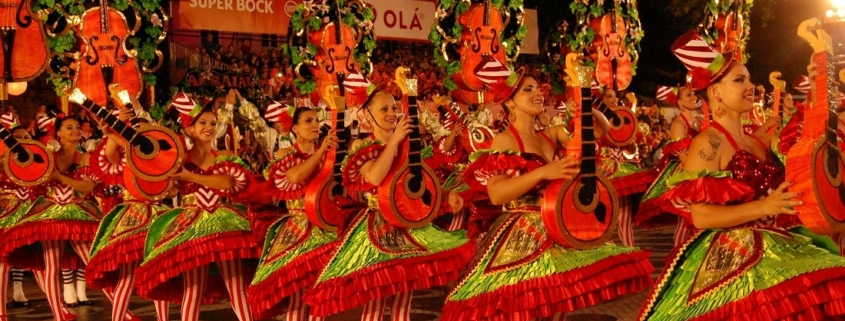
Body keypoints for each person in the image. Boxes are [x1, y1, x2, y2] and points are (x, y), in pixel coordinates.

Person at [638, 35, 845, 320]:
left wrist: (818, 86)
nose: (751, 87)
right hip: (735, 255)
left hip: (780, 244)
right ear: (715, 93)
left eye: (748, 79)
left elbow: (813, 142)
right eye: (739, 81)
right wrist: (765, 207)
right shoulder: (708, 143)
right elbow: (700, 216)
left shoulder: (759, 141)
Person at [441, 71, 654, 321]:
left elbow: (600, 131)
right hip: (522, 233)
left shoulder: (550, 135)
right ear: (509, 103)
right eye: (527, 90)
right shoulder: (503, 139)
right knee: (527, 309)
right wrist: (543, 172)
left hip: (557, 223)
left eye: (537, 88)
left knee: (557, 307)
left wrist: (585, 109)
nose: (537, 94)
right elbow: (497, 194)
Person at [303, 89, 474, 321]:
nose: (392, 113)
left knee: (404, 301)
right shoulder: (362, 146)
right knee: (375, 305)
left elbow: (420, 181)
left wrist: (446, 195)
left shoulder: (406, 144)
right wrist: (394, 142)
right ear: (367, 115)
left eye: (394, 107)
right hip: (377, 229)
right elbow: (374, 177)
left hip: (406, 223)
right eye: (384, 109)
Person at [0, 115, 136, 321]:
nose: (75, 130)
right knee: (52, 265)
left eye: (77, 127)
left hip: (78, 214)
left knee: (92, 262)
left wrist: (60, 177)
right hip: (51, 214)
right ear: (59, 133)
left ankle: (122, 310)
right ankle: (59, 313)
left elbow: (88, 187)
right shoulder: (48, 156)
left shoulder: (86, 157)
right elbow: (32, 177)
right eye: (69, 127)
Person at [134, 95, 258, 321]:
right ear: (189, 129)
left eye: (212, 123)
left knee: (237, 286)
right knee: (193, 289)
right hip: (191, 223)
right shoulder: (179, 159)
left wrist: (190, 176)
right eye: (203, 123)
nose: (209, 127)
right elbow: (165, 184)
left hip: (222, 222)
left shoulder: (224, 156)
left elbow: (227, 183)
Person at [247, 107, 339, 320]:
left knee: (320, 296)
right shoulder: (285, 154)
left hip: (324, 227)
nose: (315, 125)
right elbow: (295, 176)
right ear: (295, 128)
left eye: (316, 120)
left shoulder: (328, 154)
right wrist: (321, 152)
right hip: (298, 228)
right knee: (298, 297)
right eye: (308, 121)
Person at [85, 112, 173, 321]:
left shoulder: (159, 159)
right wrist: (110, 134)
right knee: (127, 275)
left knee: (159, 273)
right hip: (133, 214)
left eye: (145, 133)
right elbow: (112, 152)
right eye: (135, 133)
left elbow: (170, 189)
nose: (140, 137)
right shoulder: (125, 155)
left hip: (158, 214)